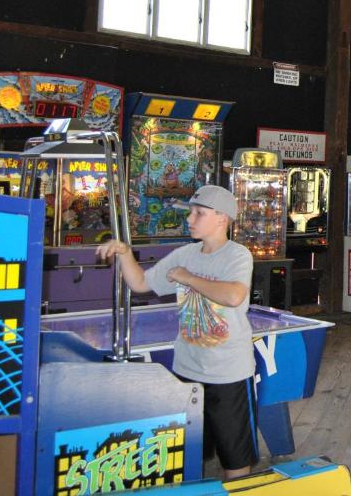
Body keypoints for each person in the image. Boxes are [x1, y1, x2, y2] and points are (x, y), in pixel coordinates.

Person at [95, 185, 256, 479]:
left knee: (235, 459)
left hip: (227, 374)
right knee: (188, 454)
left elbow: (233, 296)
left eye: (199, 213)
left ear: (222, 218)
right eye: (190, 213)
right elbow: (141, 283)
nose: (190, 219)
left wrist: (188, 277)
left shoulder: (238, 255)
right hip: (186, 370)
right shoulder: (185, 254)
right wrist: (124, 253)